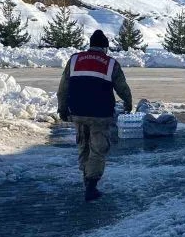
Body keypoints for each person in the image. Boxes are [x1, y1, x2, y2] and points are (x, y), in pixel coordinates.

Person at [57, 30, 133, 201]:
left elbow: (63, 88)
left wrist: (62, 109)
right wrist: (128, 103)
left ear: (90, 45)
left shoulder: (74, 60)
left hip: (77, 112)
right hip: (100, 114)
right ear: (105, 47)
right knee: (98, 149)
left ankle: (86, 180)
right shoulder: (110, 63)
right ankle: (91, 187)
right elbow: (122, 87)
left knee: (83, 146)